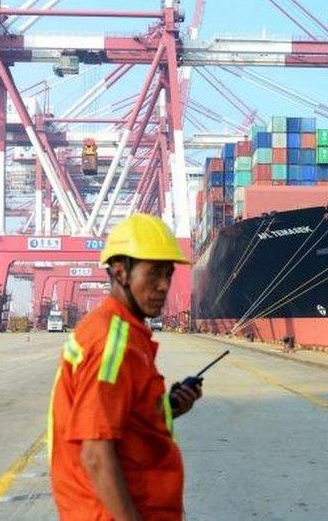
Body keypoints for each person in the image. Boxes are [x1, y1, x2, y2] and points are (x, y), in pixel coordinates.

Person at [49, 213, 201, 521]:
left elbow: (124, 418)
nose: (163, 286)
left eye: (168, 275)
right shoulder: (110, 341)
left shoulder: (127, 332)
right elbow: (95, 453)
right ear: (121, 272)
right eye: (154, 274)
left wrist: (168, 408)